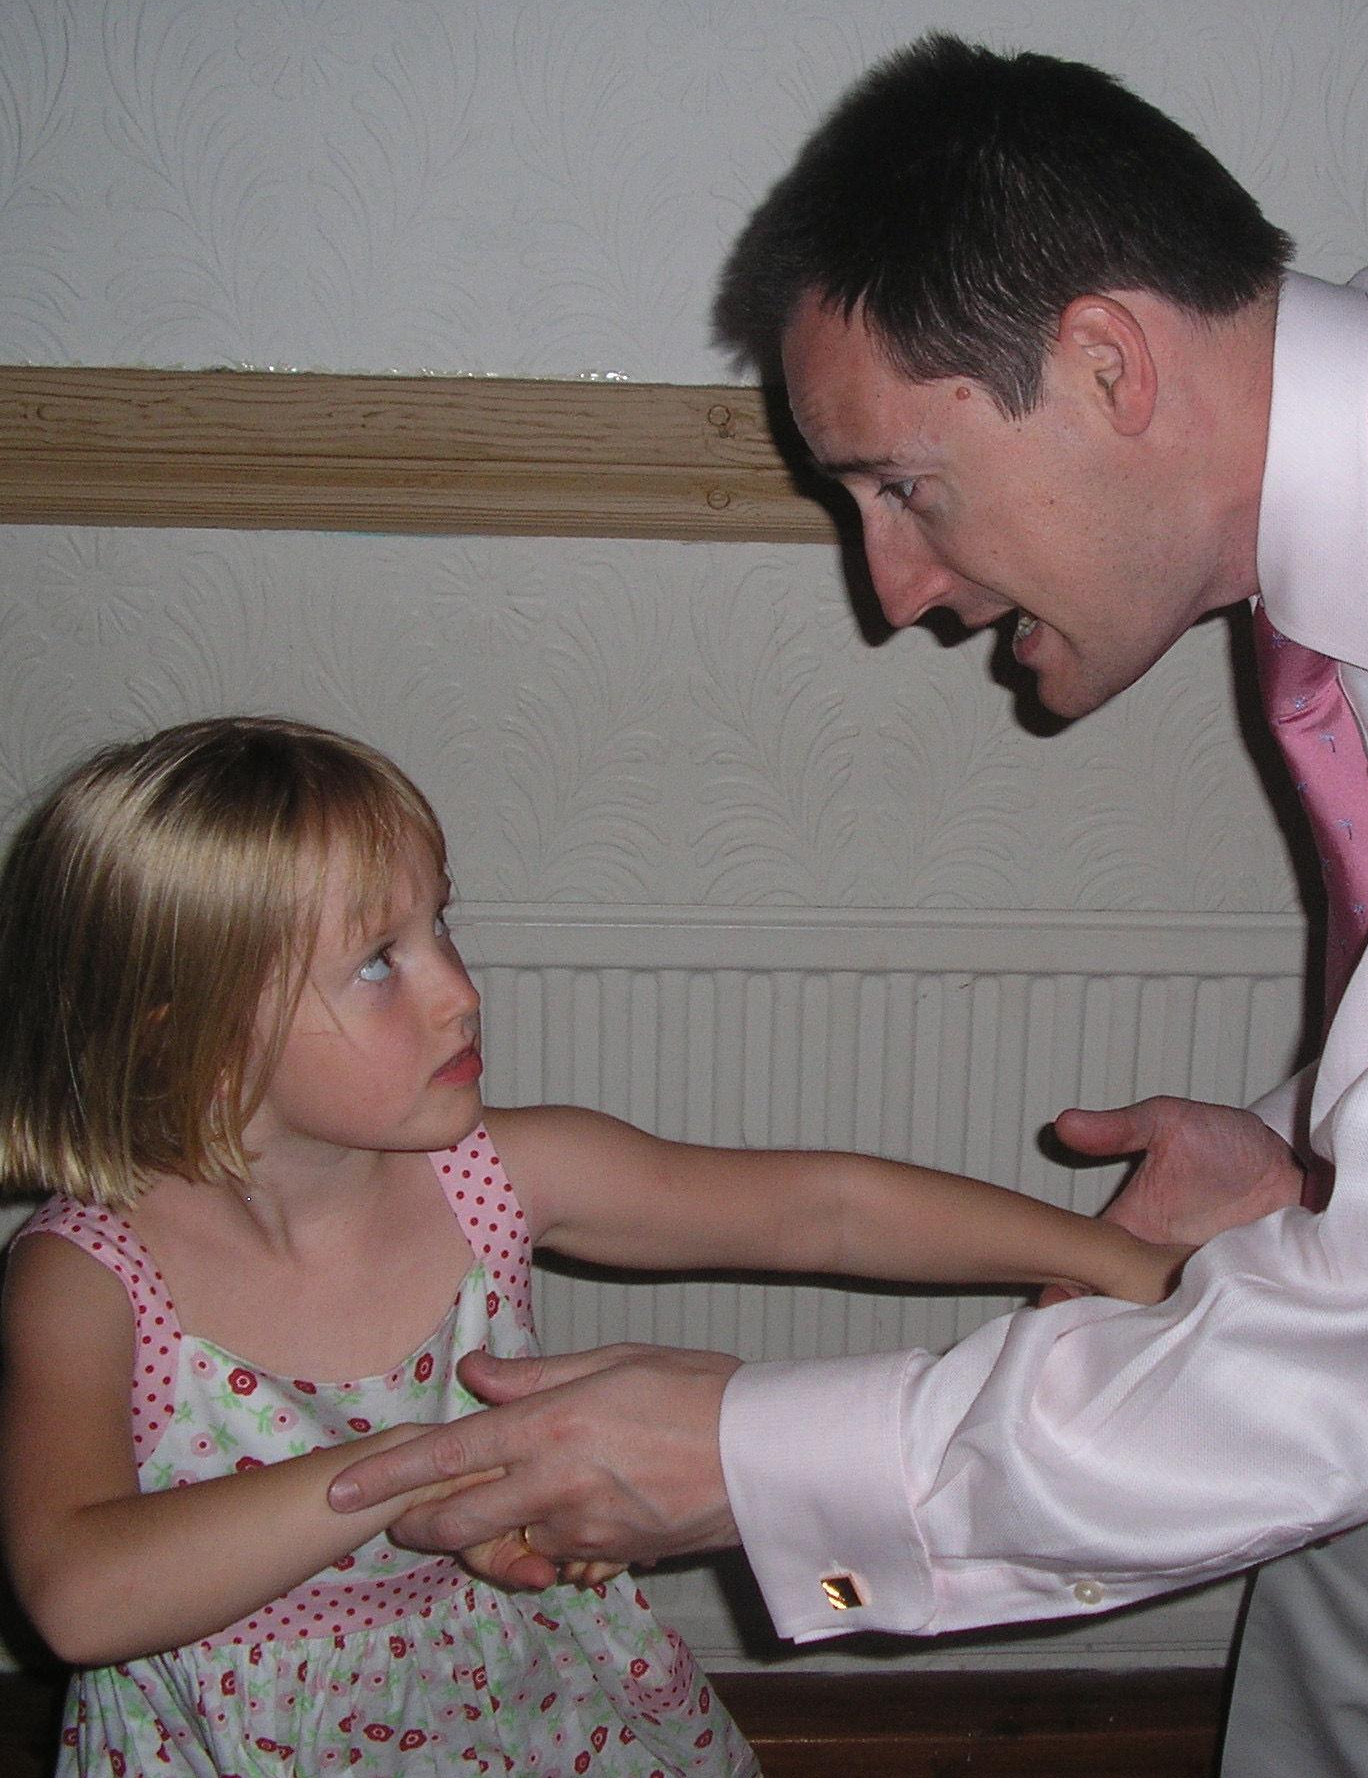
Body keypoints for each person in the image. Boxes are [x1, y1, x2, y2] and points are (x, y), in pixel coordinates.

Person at [330, 36, 1368, 1776]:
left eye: (900, 485)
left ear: (1105, 361)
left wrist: (743, 1457)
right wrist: (1306, 1139)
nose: (891, 588)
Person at [0, 714, 1188, 1776]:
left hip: (528, 1694)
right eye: (378, 962)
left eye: (440, 924)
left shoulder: (497, 1177)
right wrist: (453, 1464)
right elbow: (80, 1597)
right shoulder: (90, 1279)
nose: (459, 990)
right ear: (191, 1036)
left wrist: (1107, 1260)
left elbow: (821, 1207)